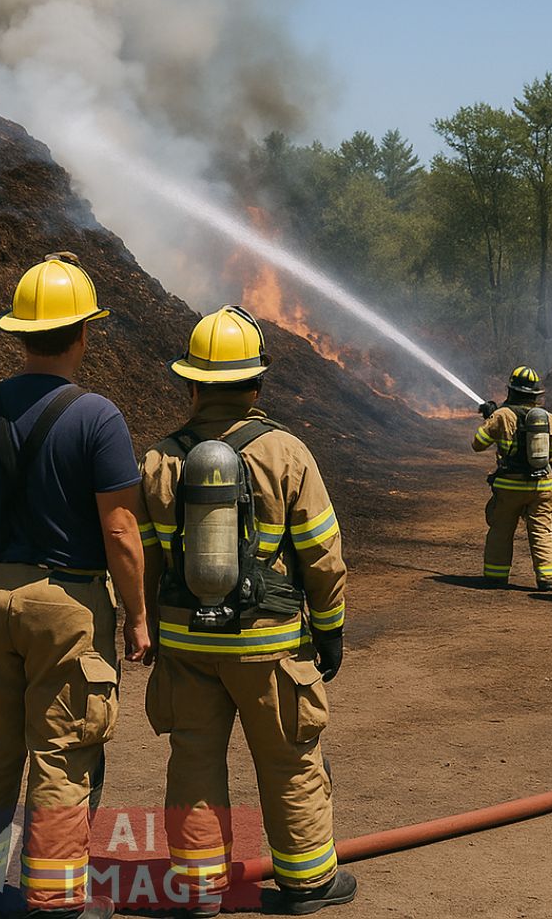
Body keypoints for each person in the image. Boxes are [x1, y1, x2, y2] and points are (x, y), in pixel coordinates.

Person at [0, 253, 151, 919]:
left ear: (18, 334)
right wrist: (140, 616)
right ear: (84, 333)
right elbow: (120, 532)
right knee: (62, 753)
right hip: (69, 606)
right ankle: (55, 897)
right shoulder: (100, 419)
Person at [137, 305, 356, 917]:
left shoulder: (158, 461)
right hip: (268, 645)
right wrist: (331, 628)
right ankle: (308, 883)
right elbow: (322, 552)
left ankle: (200, 887)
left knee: (194, 762)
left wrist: (153, 632)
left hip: (186, 645)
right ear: (256, 383)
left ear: (190, 383)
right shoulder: (286, 453)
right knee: (290, 758)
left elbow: (146, 563)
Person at [473, 366, 552, 591]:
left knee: (501, 530)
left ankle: (495, 577)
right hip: (542, 486)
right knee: (542, 531)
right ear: (534, 395)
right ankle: (546, 579)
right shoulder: (549, 419)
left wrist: (490, 417)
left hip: (509, 485)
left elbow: (478, 443)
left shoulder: (502, 415)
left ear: (511, 391)